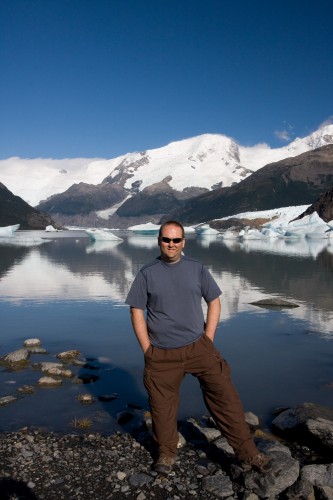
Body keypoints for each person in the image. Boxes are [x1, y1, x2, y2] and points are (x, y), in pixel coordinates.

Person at [125, 220, 271, 474]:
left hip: (199, 348)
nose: (171, 244)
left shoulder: (196, 269)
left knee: (226, 399)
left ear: (184, 242)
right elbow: (136, 311)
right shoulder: (147, 273)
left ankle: (249, 454)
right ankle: (166, 455)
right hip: (162, 354)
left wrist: (208, 338)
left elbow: (214, 302)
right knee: (162, 409)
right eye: (166, 240)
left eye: (176, 240)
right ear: (158, 240)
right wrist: (148, 349)